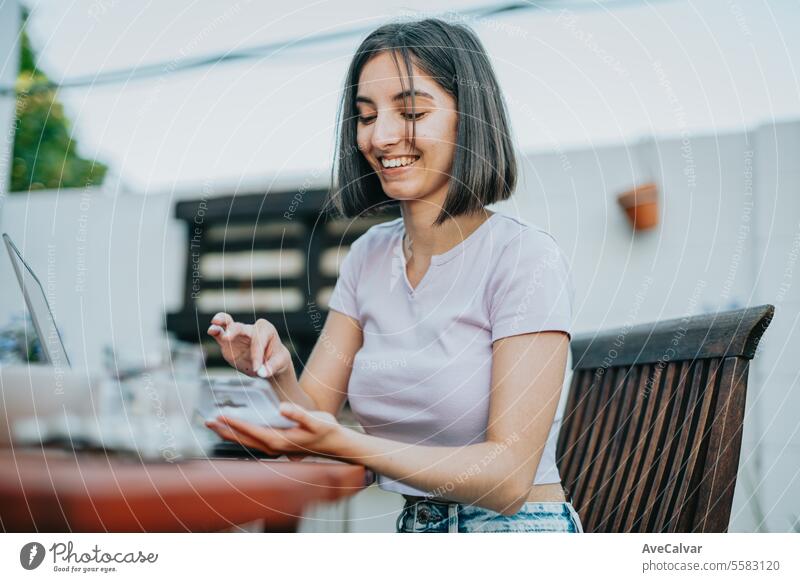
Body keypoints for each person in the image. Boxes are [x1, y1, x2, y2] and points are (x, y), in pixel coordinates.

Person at [205, 17, 583, 534]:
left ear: (468, 120)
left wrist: (341, 441)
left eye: (411, 111)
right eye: (365, 116)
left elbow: (509, 477)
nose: (380, 136)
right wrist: (276, 371)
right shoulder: (368, 257)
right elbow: (311, 414)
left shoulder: (524, 258)